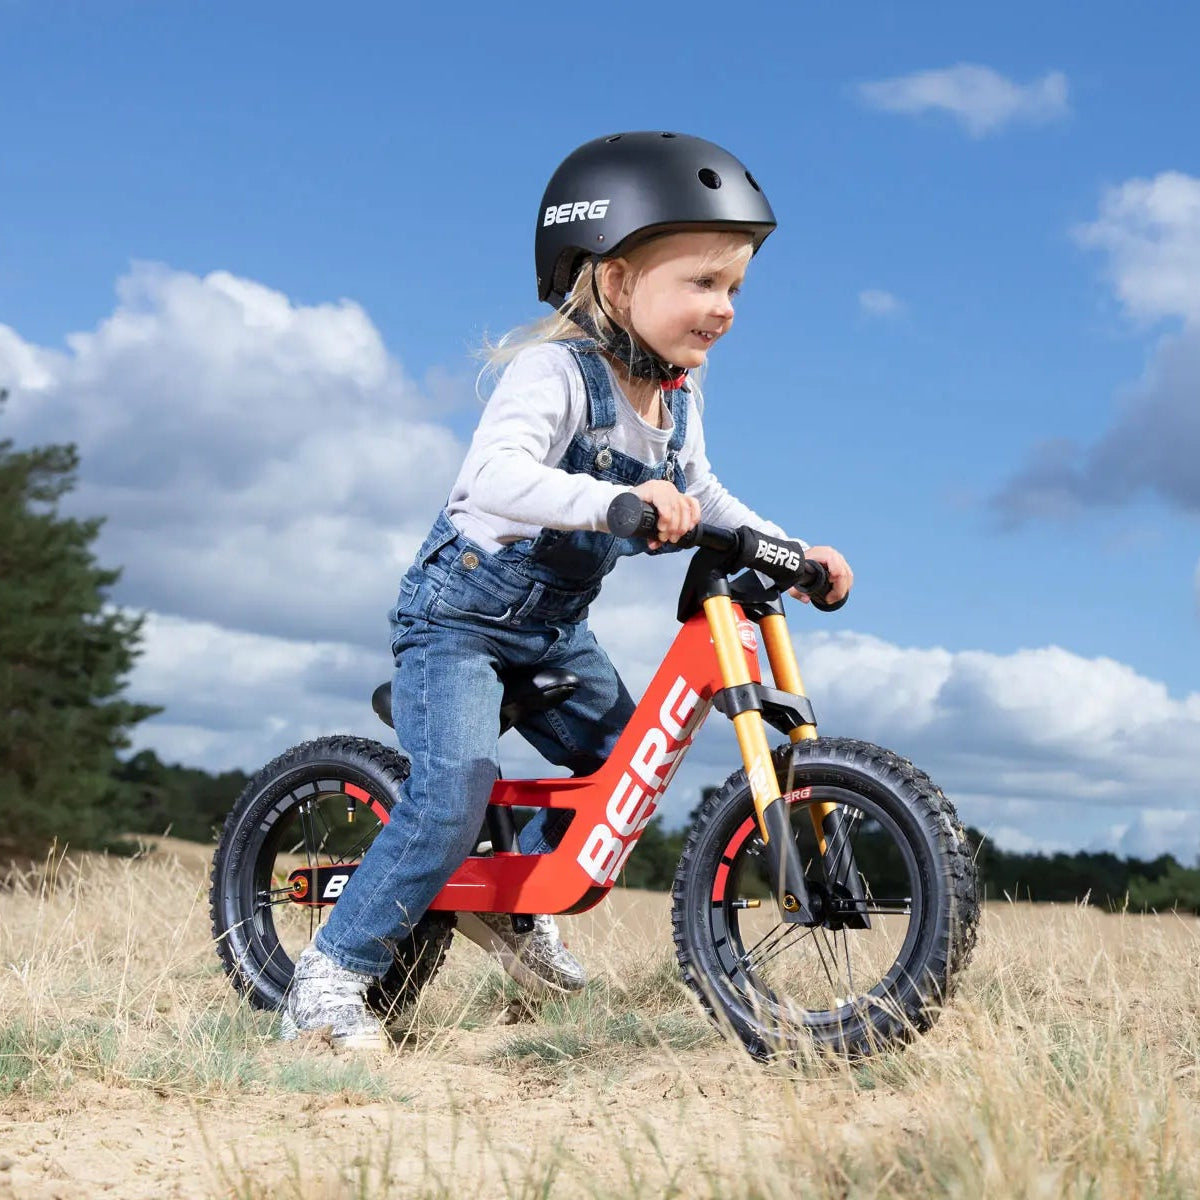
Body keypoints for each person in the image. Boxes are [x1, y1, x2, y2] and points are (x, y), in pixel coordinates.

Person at [282, 131, 854, 1051]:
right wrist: (615, 501)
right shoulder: (553, 372)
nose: (724, 309)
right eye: (702, 283)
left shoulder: (678, 400)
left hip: (552, 635)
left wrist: (794, 548)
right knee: (449, 797)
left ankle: (514, 908)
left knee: (625, 767)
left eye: (735, 288)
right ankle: (333, 975)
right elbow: (493, 479)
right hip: (459, 621)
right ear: (617, 282)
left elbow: (704, 496)